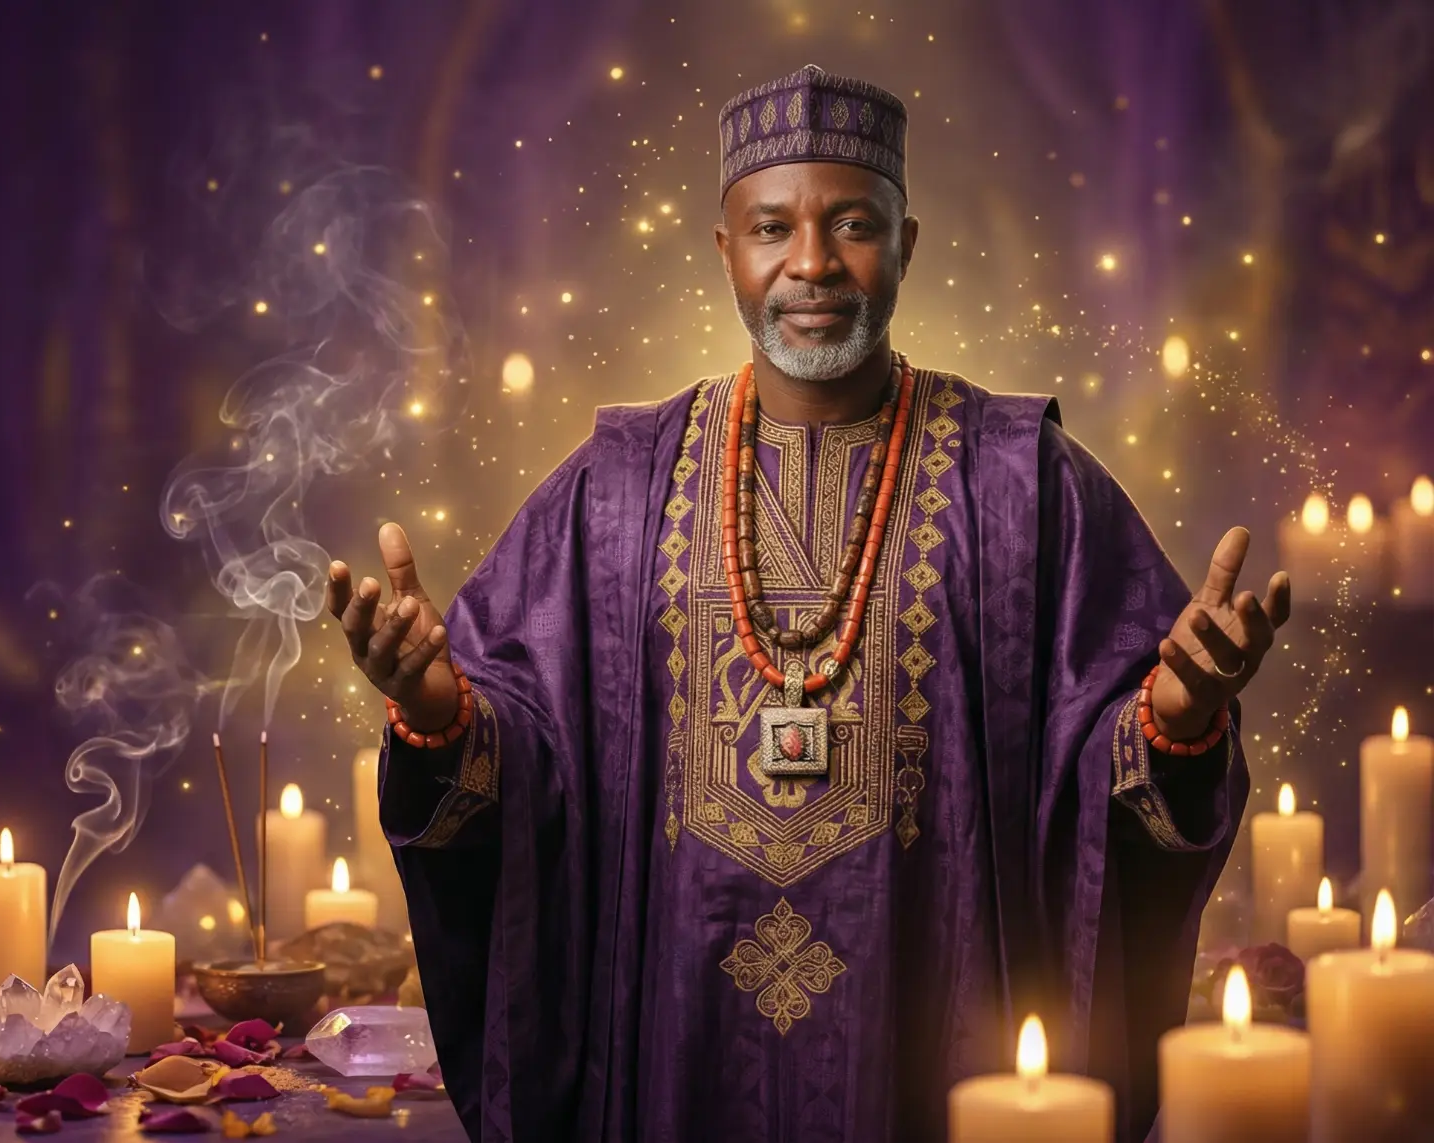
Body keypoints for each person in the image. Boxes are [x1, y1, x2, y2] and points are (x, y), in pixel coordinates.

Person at [327, 64, 1289, 1143]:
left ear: (907, 246)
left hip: (935, 1052)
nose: (812, 263)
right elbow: (523, 767)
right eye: (772, 227)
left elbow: (1108, 778)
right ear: (724, 251)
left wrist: (1176, 718)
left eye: (851, 224)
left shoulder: (1023, 482)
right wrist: (435, 707)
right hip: (670, 1060)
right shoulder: (615, 488)